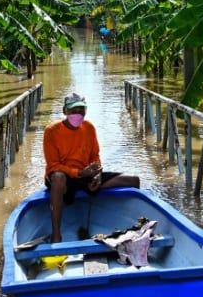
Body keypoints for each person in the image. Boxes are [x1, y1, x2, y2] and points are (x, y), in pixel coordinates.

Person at [43, 92, 140, 242]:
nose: (78, 114)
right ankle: (56, 233)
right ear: (65, 111)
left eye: (81, 110)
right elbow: (53, 165)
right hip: (65, 178)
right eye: (73, 111)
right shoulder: (52, 131)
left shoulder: (89, 128)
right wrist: (79, 173)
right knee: (57, 177)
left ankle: (133, 228)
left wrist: (97, 175)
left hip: (86, 176)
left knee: (133, 180)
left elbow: (95, 157)